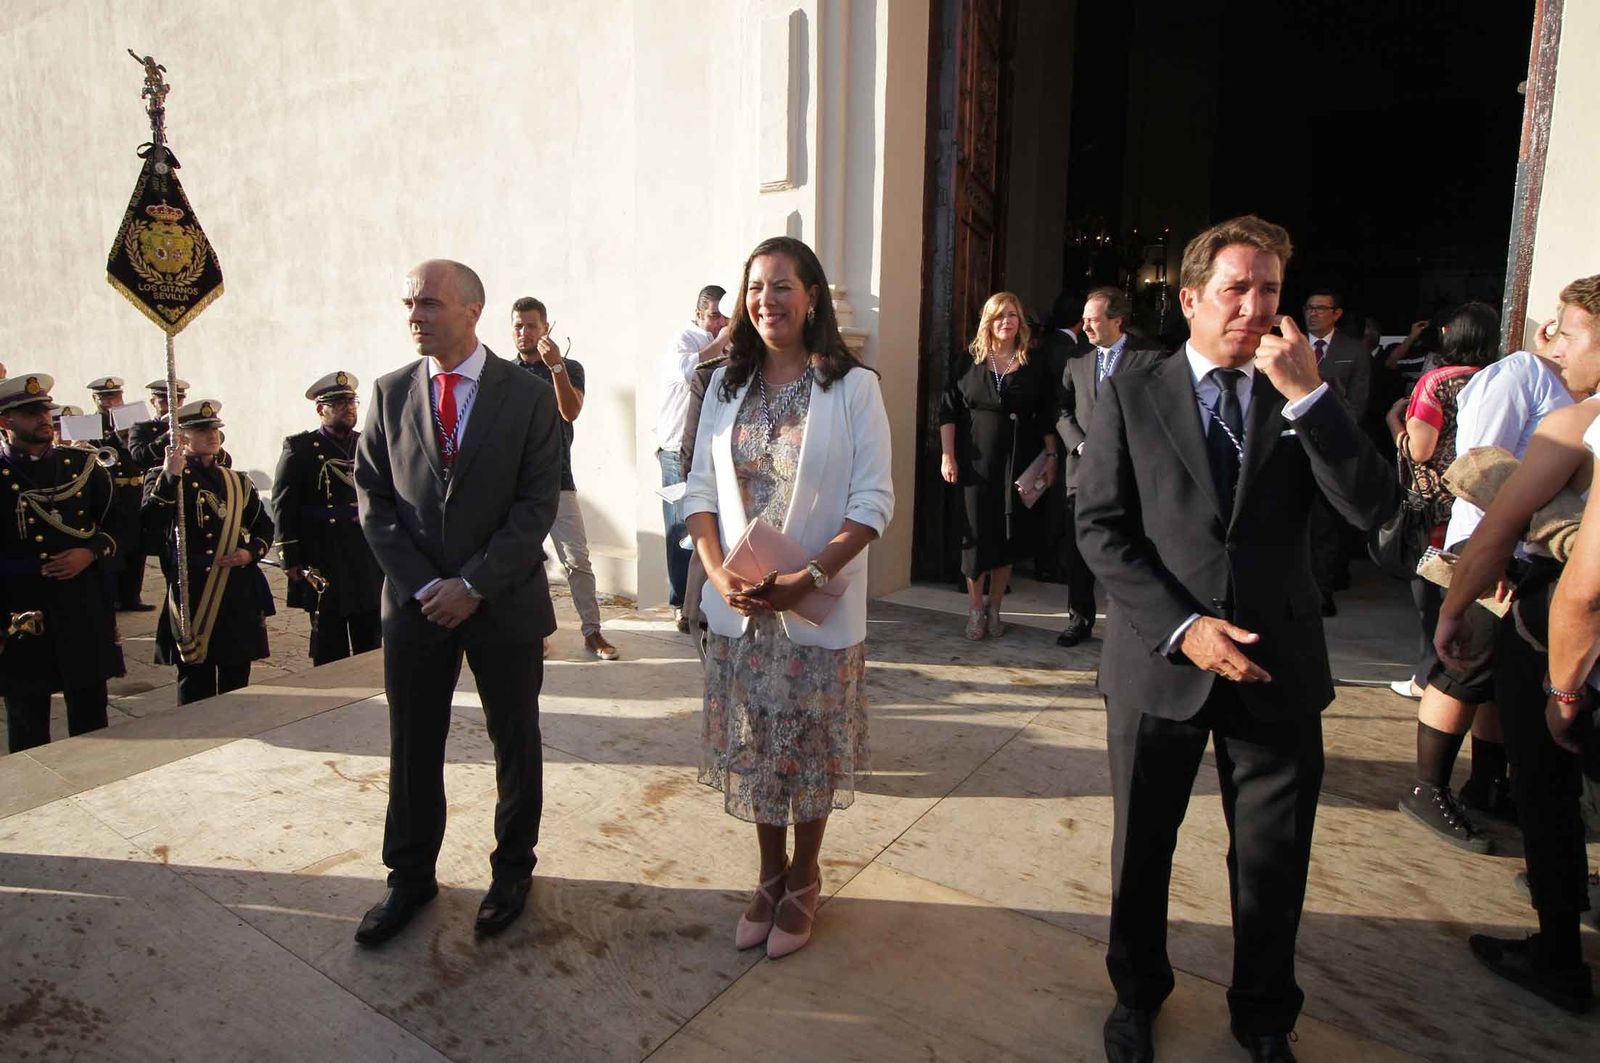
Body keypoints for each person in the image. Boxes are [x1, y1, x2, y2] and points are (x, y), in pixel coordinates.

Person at [1075, 216, 1392, 1062]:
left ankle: (1262, 1015)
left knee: (1272, 859)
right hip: (1159, 660)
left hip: (1275, 665)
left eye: (1271, 292)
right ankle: (1137, 995)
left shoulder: (1302, 392)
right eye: (1236, 289)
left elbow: (1372, 509)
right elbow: (1102, 529)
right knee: (1142, 846)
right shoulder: (1133, 391)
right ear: (1189, 300)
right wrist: (1185, 627)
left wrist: (1313, 400)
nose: (1255, 308)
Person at [685, 235, 893, 961]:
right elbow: (700, 493)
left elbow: (874, 501)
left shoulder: (853, 387)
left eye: (781, 287)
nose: (766, 301)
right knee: (756, 745)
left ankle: (805, 877)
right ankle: (767, 876)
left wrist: (808, 576)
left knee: (807, 747)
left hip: (816, 604)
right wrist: (716, 574)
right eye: (754, 289)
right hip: (741, 609)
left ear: (811, 296)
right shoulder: (724, 385)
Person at [352, 259, 563, 946]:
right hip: (416, 608)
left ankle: (512, 872)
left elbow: (535, 507)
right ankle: (409, 876)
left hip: (502, 604)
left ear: (472, 310)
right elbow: (375, 504)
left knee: (514, 740)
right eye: (409, 302)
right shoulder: (387, 395)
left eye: (430, 303)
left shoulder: (528, 397)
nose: (415, 315)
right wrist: (425, 586)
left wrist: (471, 584)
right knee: (412, 743)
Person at [1435, 275, 1600, 1014]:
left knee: (1548, 792)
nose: (1555, 348)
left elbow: (1512, 535)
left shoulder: (1578, 426)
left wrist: (1564, 691)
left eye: (1569, 331)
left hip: (1565, 646)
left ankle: (1559, 952)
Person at [1384, 302, 1503, 853]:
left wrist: (1394, 424)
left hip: (1440, 517)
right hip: (1484, 516)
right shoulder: (1497, 378)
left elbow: (1422, 448)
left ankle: (1427, 684)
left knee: (1441, 623)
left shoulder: (1436, 382)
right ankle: (1485, 778)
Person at [0, 374, 121, 753]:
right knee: (27, 719)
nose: (44, 419)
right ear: (5, 422)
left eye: (46, 410)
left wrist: (90, 551)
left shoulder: (81, 465)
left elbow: (121, 523)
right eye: (31, 412)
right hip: (21, 611)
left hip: (80, 605)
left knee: (91, 717)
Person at [939, 292, 1057, 640]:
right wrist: (948, 455)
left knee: (1008, 536)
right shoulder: (966, 362)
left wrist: (1051, 457)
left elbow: (1046, 415)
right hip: (974, 462)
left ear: (1021, 322)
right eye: (999, 316)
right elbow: (948, 411)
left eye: (1013, 315)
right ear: (987, 322)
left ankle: (995, 608)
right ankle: (975, 609)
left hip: (1017, 461)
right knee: (974, 534)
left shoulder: (1032, 363)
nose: (1007, 321)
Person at [1052, 286, 1166, 646]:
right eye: (1084, 319)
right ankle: (1079, 619)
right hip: (1083, 472)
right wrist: (1080, 442)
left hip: (1130, 472)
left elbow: (1162, 415)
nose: (1085, 326)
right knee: (1080, 548)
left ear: (1117, 321)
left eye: (1093, 320)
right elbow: (1061, 410)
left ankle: (1132, 624)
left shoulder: (1150, 358)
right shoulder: (1077, 358)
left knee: (1129, 547)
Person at [141, 399, 275, 705]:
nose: (212, 435)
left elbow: (264, 527)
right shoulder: (164, 477)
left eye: (214, 429)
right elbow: (149, 525)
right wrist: (169, 476)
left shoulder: (236, 480)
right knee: (194, 677)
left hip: (236, 589)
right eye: (202, 430)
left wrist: (250, 553)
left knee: (237, 671)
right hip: (195, 589)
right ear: (183, 436)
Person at [510, 296, 619, 661]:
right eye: (518, 325)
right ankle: (535, 632)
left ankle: (593, 633)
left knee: (577, 560)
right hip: (515, 486)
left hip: (558, 480)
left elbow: (570, 412)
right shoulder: (502, 375)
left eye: (531, 325)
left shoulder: (570, 367)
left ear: (546, 328)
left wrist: (555, 365)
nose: (523, 332)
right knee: (523, 561)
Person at [270, 372, 384, 666]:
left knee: (370, 631)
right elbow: (284, 504)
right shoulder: (301, 449)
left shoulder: (368, 443)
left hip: (365, 551)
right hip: (324, 552)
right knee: (329, 635)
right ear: (321, 410)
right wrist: (289, 557)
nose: (348, 408)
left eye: (351, 402)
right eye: (338, 403)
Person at [657, 286, 731, 631]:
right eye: (713, 316)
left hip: (709, 449)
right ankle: (679, 603)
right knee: (680, 528)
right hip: (677, 448)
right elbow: (692, 372)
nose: (719, 323)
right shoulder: (684, 339)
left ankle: (698, 602)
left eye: (723, 316)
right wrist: (722, 340)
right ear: (699, 314)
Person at [1303, 288, 1373, 614]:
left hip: (1333, 447)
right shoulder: (1290, 346)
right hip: (1293, 444)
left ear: (1337, 314)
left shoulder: (1353, 351)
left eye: (1320, 309)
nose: (1313, 314)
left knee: (1327, 523)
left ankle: (1322, 589)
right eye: (1309, 308)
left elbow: (1359, 402)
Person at [678, 343, 732, 648]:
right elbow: (694, 436)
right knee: (705, 552)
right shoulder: (711, 375)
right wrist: (693, 487)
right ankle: (692, 613)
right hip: (714, 491)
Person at [87, 376, 154, 612]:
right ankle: (113, 596)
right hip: (111, 489)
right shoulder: (91, 424)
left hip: (136, 489)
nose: (111, 401)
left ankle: (131, 596)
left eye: (115, 396)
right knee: (116, 543)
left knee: (138, 545)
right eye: (105, 397)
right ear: (95, 399)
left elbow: (142, 452)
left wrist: (127, 435)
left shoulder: (134, 422)